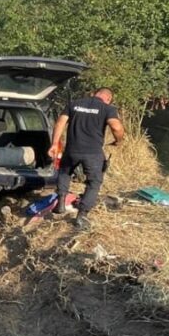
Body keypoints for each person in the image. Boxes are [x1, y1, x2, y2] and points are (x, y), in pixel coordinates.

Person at [49, 87, 125, 230]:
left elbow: (59, 123)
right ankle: (81, 216)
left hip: (71, 150)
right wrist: (118, 141)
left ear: (94, 94)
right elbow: (117, 128)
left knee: (65, 173)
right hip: (93, 153)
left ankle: (60, 203)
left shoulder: (74, 104)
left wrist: (54, 144)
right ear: (108, 99)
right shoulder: (107, 108)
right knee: (94, 182)